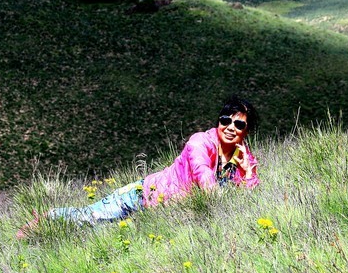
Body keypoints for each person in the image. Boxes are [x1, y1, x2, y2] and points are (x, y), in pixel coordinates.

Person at [17, 96, 260, 237]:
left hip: (161, 212)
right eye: (226, 120)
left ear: (246, 131)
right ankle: (45, 221)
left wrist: (248, 172)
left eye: (239, 125)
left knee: (102, 234)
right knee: (90, 217)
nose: (231, 128)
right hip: (141, 195)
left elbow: (247, 198)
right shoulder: (200, 143)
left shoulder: (242, 156)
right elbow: (203, 174)